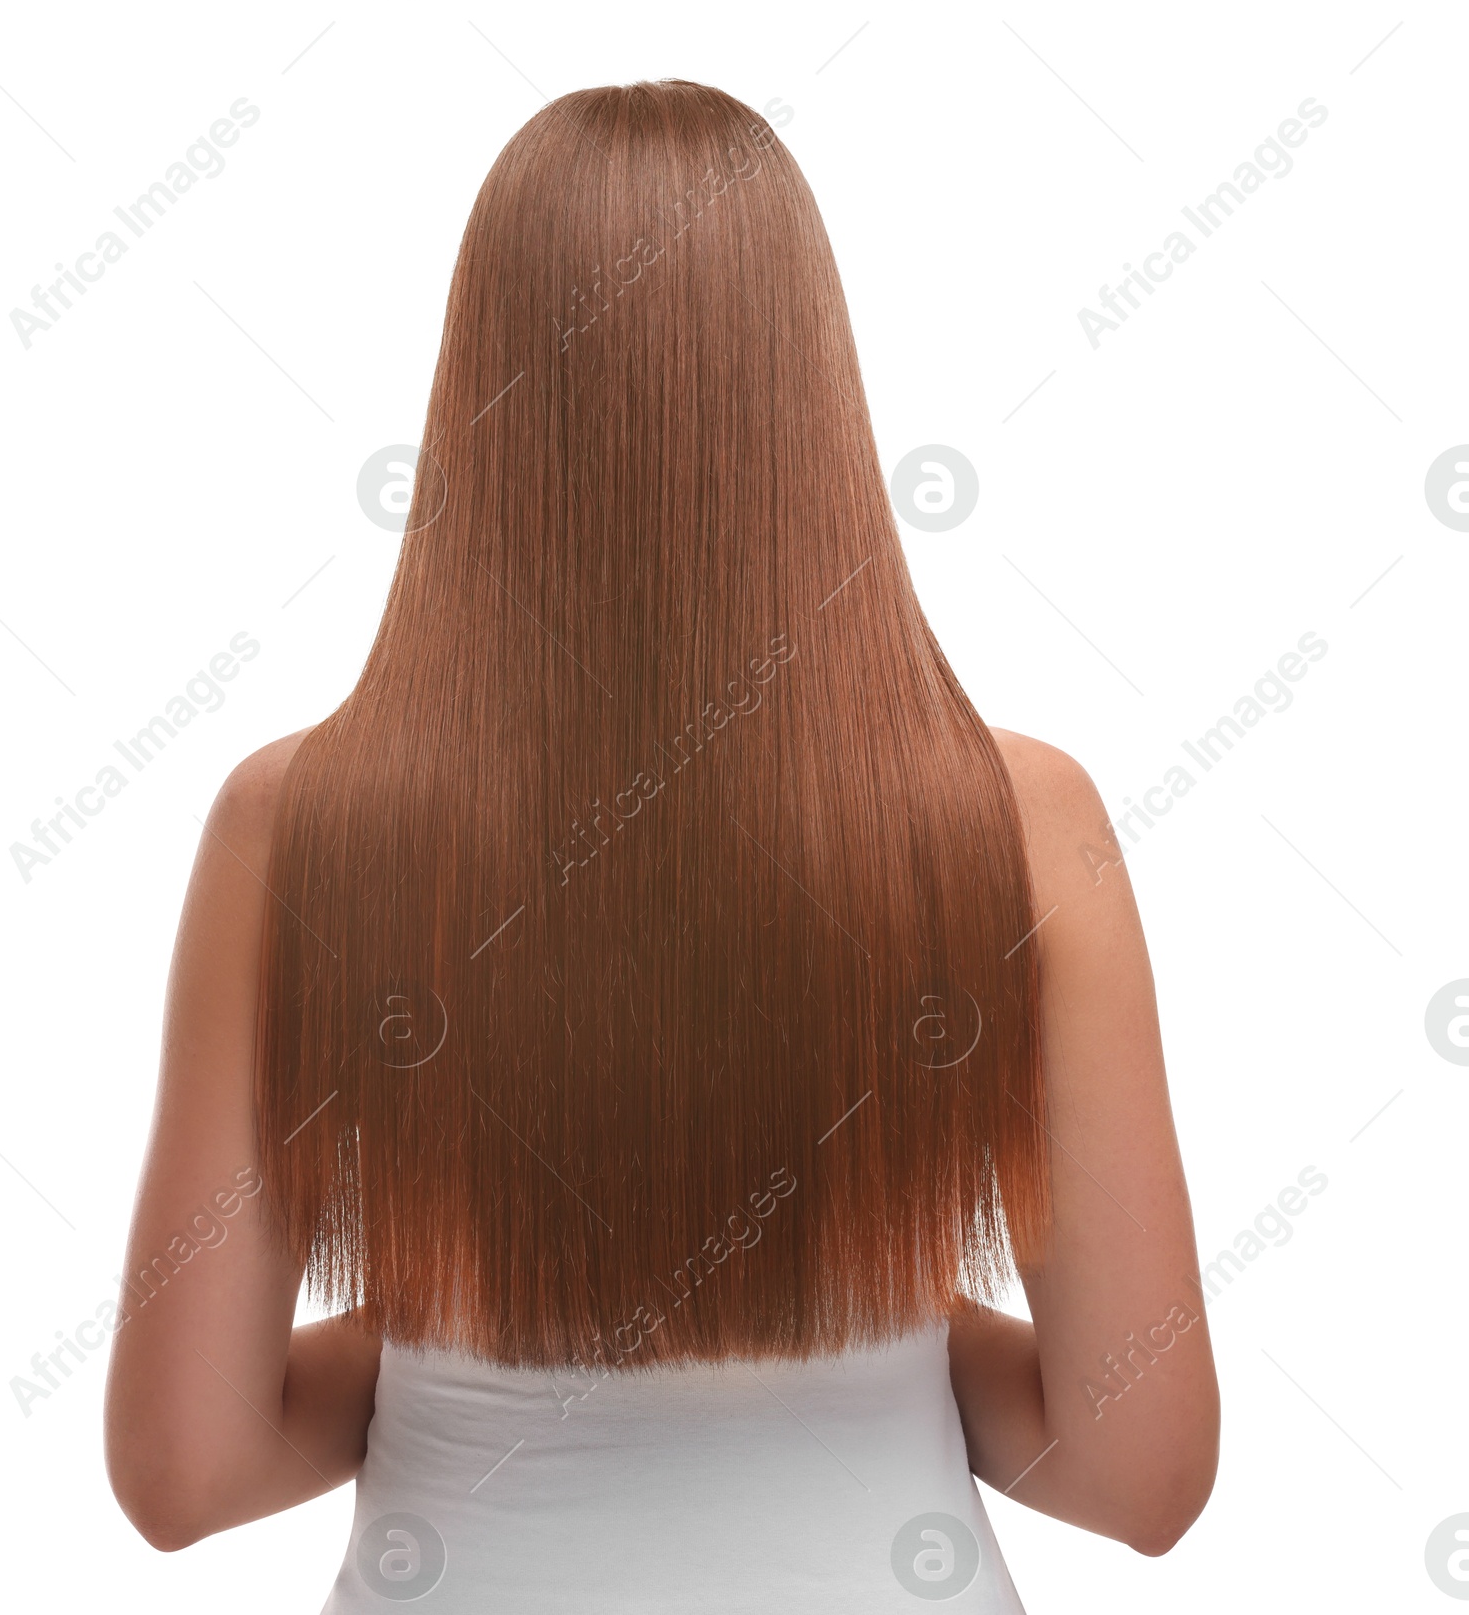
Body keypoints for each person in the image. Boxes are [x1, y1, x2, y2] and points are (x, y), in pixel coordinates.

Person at [105, 80, 1219, 1611]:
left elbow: (189, 1469)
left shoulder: (292, 827)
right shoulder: (1021, 826)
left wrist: (475, 1313)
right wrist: (855, 1300)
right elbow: (1139, 1473)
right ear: (813, 394)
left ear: (480, 396)